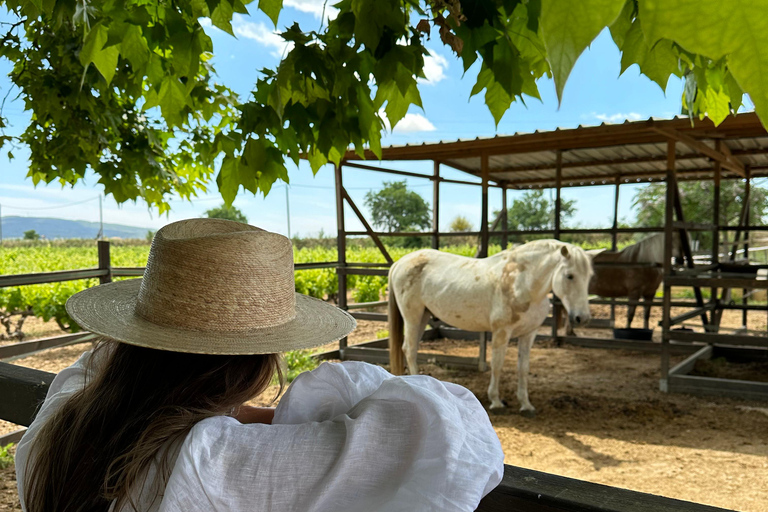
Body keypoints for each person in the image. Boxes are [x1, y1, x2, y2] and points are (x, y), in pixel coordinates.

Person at [16, 218, 504, 512]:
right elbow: (447, 423)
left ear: (133, 342)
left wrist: (221, 411)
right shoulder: (215, 463)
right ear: (254, 365)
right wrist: (296, 411)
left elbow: (97, 366)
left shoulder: (59, 423)